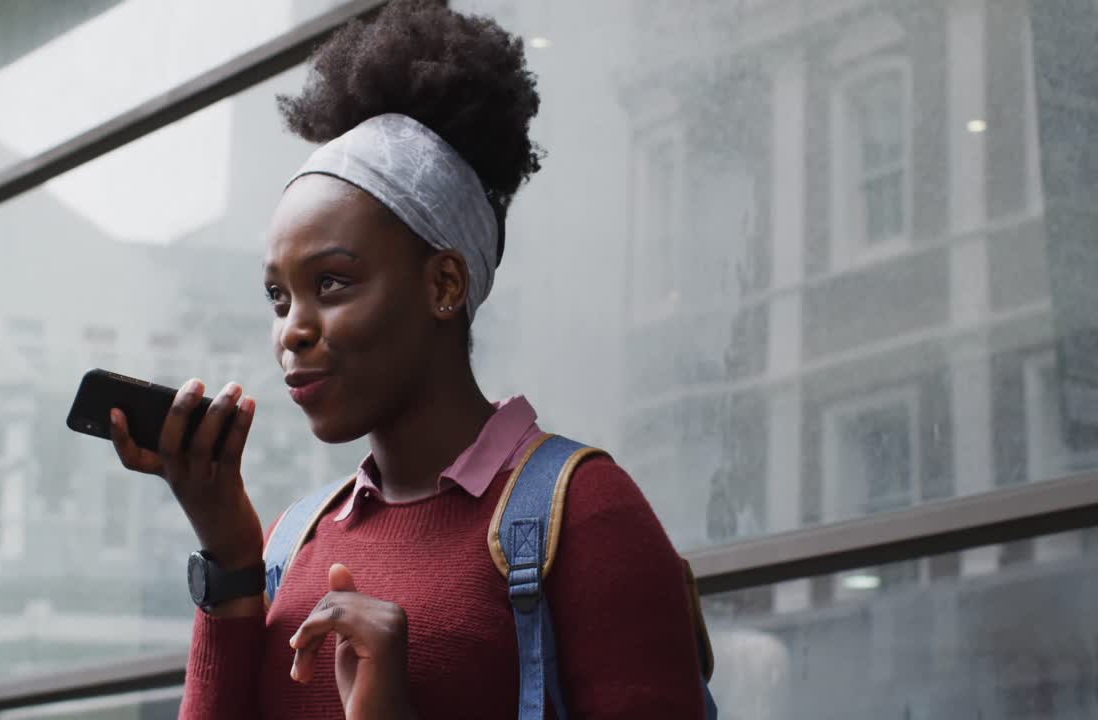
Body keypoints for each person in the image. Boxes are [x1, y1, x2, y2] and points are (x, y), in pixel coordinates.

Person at [107, 1, 706, 717]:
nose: (292, 331)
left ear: (444, 284)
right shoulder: (289, 545)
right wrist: (231, 561)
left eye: (331, 283)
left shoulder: (586, 515)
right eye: (278, 297)